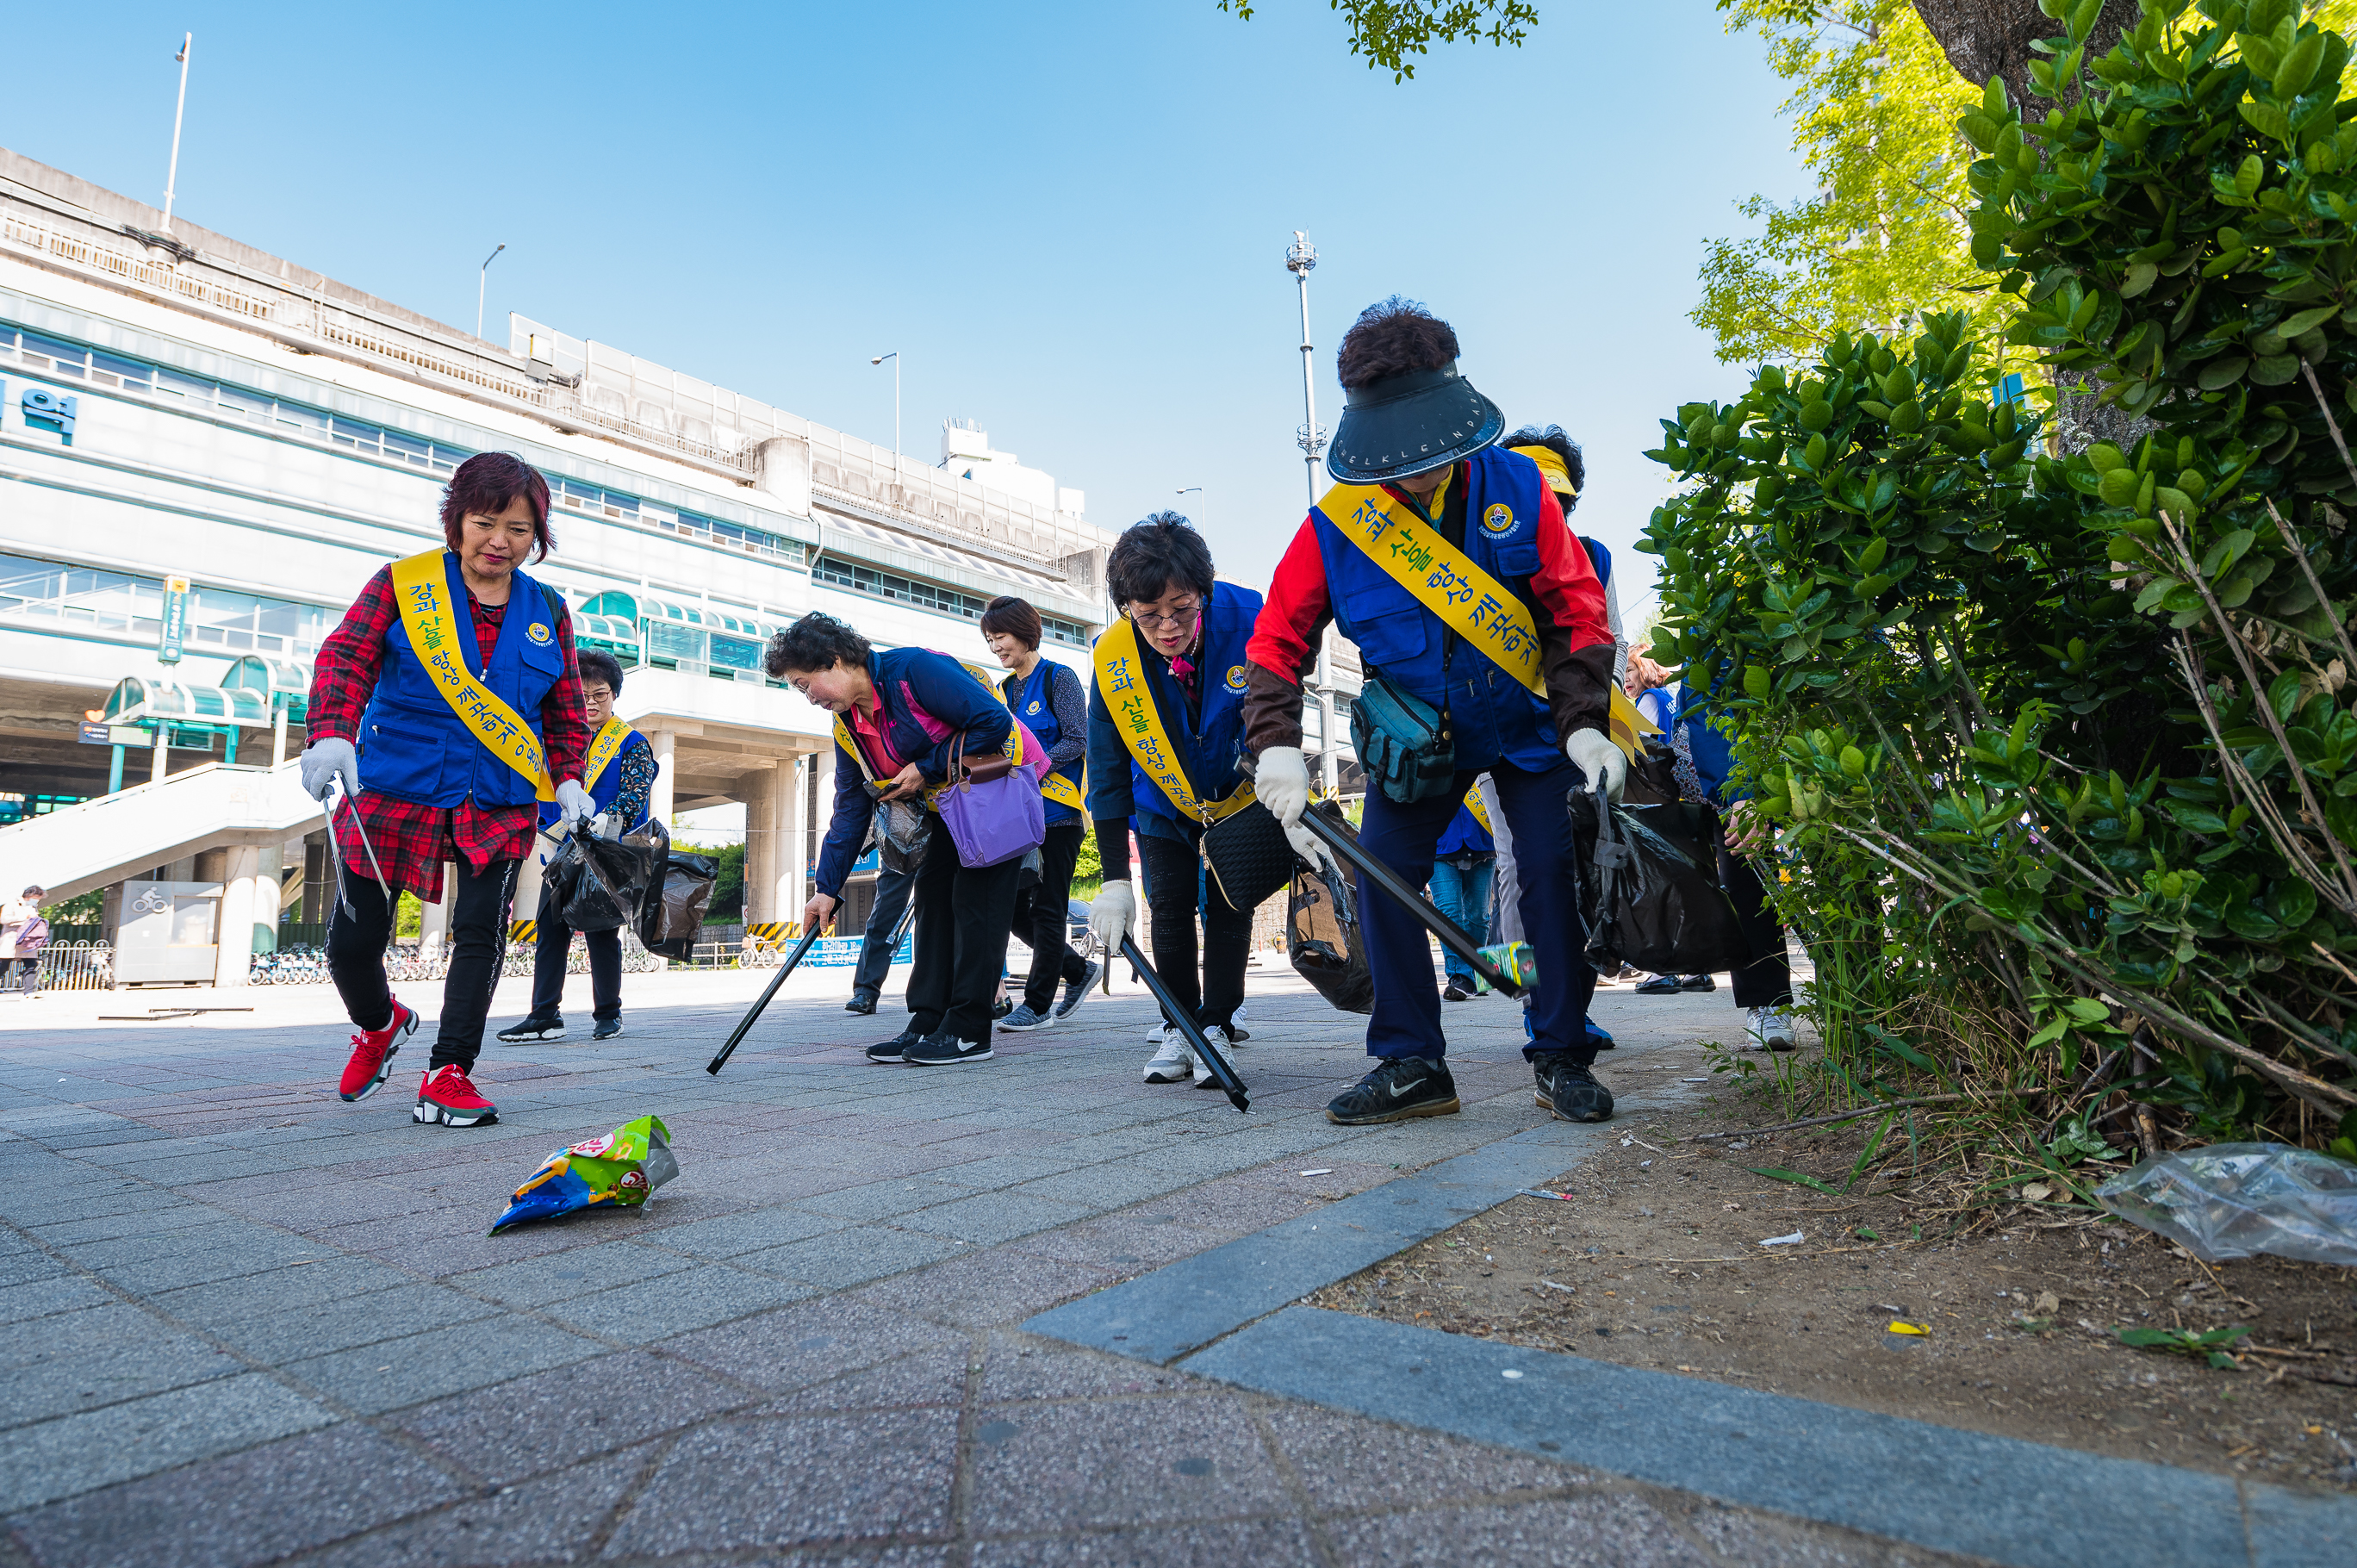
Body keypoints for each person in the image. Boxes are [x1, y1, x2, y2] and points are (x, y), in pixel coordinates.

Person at [1243, 298, 1624, 1126]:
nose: (1418, 469)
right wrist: (1275, 745)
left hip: (1531, 726)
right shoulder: (1337, 526)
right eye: (1398, 456)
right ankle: (1413, 1062)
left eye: (1433, 451)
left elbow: (1576, 610)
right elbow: (1276, 641)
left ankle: (1561, 1051)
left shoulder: (1520, 485)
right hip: (1418, 740)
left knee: (1555, 879)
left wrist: (1586, 719)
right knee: (1382, 879)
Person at [301, 451, 593, 1127]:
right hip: (395, 786)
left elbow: (564, 707)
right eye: (486, 522)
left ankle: (450, 1071)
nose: (500, 541)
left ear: (537, 536)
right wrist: (331, 732)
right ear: (455, 521)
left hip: (499, 794)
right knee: (352, 940)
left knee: (480, 936)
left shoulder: (548, 607)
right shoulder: (405, 584)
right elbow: (347, 656)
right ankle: (381, 1025)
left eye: (519, 530)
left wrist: (570, 775)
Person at [774, 613, 1033, 1066]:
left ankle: (971, 1030)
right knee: (933, 904)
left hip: (989, 806)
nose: (807, 697)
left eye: (804, 684)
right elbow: (852, 807)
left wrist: (924, 768)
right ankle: (928, 1020)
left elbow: (994, 722)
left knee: (977, 908)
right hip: (947, 819)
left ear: (835, 661)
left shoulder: (912, 670)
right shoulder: (847, 724)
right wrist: (827, 889)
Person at [1085, 513, 1265, 1087]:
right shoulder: (1112, 658)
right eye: (1147, 614)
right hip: (1163, 804)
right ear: (1127, 607)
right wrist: (1114, 879)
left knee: (1231, 906)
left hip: (1236, 797)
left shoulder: (1248, 618)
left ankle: (1215, 1025)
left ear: (1203, 594)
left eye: (1181, 609)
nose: (1167, 626)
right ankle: (1178, 1025)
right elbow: (1107, 771)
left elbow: (1276, 708)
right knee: (1169, 907)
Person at [498, 649, 656, 1044]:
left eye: (599, 694)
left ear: (614, 695)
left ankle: (608, 1014)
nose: (590, 703)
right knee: (550, 933)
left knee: (603, 933)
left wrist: (606, 818)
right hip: (559, 854)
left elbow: (636, 792)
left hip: (604, 855)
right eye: (581, 695)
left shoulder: (631, 742)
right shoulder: (557, 743)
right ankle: (544, 1014)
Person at [982, 595, 1102, 1030]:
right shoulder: (1002, 690)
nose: (995, 648)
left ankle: (1037, 1005)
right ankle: (1078, 969)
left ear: (1024, 632)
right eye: (990, 641)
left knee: (1049, 908)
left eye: (1000, 638)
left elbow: (1078, 739)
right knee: (1012, 909)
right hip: (1016, 818)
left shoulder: (1059, 678)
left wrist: (1035, 766)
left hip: (1059, 813)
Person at [1670, 666, 1798, 1048]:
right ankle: (1530, 1000)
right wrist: (1739, 790)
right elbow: (1705, 694)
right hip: (1732, 757)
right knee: (1516, 881)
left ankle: (1862, 1001)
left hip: (1797, 743)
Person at [843, 809, 917, 1016]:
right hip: (900, 827)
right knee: (885, 910)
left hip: (946, 813)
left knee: (948, 908)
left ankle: (992, 990)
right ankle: (866, 990)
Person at [1428, 795, 1494, 1002]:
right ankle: (1460, 977)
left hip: (1482, 839)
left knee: (1479, 915)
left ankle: (1475, 975)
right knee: (1448, 912)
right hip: (1440, 842)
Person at [1, 886, 47, 998]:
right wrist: (25, 916)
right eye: (35, 897)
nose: (36, 900)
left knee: (31, 964)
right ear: (28, 895)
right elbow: (4, 919)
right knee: (3, 965)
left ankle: (29, 991)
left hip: (28, 941)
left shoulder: (32, 907)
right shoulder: (11, 904)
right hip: (12, 940)